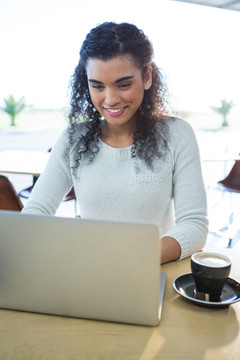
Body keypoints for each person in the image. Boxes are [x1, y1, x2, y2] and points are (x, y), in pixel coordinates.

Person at [22, 22, 208, 264]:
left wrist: (130, 258)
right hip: (91, 268)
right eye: (97, 86)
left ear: (147, 77)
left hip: (151, 269)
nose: (110, 99)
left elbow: (194, 227)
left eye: (123, 84)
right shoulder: (72, 139)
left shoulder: (177, 134)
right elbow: (35, 213)